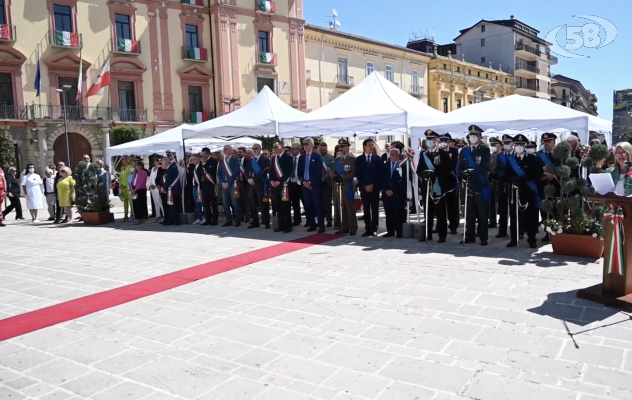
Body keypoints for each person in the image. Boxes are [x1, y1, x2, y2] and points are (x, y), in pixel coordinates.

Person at [417, 130, 454, 243]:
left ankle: (442, 235)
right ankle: (427, 234)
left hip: (439, 185)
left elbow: (447, 169)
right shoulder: (423, 154)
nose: (430, 142)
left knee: (440, 212)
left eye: (432, 140)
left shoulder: (443, 154)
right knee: (427, 211)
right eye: (428, 140)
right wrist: (424, 174)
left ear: (437, 141)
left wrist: (435, 174)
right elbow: (419, 169)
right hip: (427, 185)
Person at [505, 135, 540, 248]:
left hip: (528, 190)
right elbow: (506, 174)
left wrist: (523, 180)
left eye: (521, 144)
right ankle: (514, 239)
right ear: (514, 145)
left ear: (525, 145)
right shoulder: (510, 159)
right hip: (514, 190)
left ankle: (532, 239)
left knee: (530, 216)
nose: (519, 146)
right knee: (514, 216)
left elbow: (536, 174)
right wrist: (513, 180)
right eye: (517, 144)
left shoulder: (532, 158)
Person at [459, 125, 490, 246]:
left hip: (481, 185)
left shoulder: (484, 150)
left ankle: (483, 237)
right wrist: (462, 174)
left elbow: (486, 166)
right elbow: (459, 166)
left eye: (475, 135)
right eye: (471, 135)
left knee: (482, 214)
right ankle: (469, 236)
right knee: (469, 214)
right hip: (468, 186)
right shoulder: (464, 151)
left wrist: (472, 172)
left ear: (479, 137)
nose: (472, 137)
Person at [355, 138, 382, 237]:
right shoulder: (359, 159)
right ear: (364, 147)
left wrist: (372, 185)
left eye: (372, 145)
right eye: (370, 145)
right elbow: (358, 174)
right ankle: (368, 228)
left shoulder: (377, 159)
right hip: (364, 188)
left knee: (374, 208)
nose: (372, 147)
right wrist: (365, 185)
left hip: (374, 188)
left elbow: (379, 174)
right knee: (366, 209)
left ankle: (374, 228)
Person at [298, 137, 325, 233]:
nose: (305, 146)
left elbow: (318, 172)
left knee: (318, 205)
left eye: (307, 144)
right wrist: (303, 182)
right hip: (305, 185)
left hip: (314, 185)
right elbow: (299, 172)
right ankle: (312, 224)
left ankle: (321, 225)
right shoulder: (301, 158)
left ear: (312, 145)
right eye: (304, 144)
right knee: (308, 205)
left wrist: (310, 182)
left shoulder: (317, 157)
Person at [536, 132, 559, 242]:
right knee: (544, 211)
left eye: (549, 141)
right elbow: (535, 170)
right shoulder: (539, 155)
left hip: (557, 187)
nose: (546, 144)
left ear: (554, 142)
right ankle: (547, 232)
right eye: (545, 142)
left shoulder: (559, 155)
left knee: (556, 211)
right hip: (543, 186)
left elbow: (563, 169)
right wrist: (544, 176)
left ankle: (556, 232)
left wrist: (554, 176)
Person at [332, 139, 357, 235]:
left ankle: (353, 227)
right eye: (340, 147)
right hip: (339, 187)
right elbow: (334, 171)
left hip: (348, 186)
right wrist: (334, 176)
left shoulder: (352, 160)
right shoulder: (337, 160)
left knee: (349, 207)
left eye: (343, 146)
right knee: (341, 208)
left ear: (347, 147)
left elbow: (353, 173)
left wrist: (342, 177)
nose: (341, 148)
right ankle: (344, 227)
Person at [382, 147, 408, 238]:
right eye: (390, 154)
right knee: (388, 213)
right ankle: (390, 231)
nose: (391, 156)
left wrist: (393, 190)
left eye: (393, 154)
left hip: (398, 194)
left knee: (398, 213)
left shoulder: (402, 165)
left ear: (398, 155)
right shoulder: (385, 165)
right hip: (387, 193)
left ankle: (399, 231)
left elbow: (404, 181)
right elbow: (382, 179)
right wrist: (386, 190)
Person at [246, 143, 271, 229]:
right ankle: (255, 221)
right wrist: (248, 179)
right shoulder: (250, 160)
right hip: (251, 185)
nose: (254, 150)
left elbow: (264, 172)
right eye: (253, 148)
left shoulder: (265, 160)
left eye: (256, 148)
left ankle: (266, 221)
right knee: (253, 204)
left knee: (263, 204)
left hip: (260, 185)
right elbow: (246, 171)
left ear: (260, 149)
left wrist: (254, 180)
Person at [493, 135, 514, 239]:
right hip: (502, 185)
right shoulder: (500, 156)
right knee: (502, 209)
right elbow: (496, 169)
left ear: (512, 143)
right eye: (505, 143)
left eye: (508, 142)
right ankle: (502, 231)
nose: (506, 144)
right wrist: (501, 175)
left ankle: (518, 231)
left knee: (515, 210)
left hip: (513, 185)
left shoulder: (515, 155)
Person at [270, 141, 293, 232]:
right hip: (275, 186)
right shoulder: (274, 158)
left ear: (281, 146)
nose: (275, 148)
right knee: (278, 206)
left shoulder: (287, 157)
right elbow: (271, 171)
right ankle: (281, 224)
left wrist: (279, 181)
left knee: (286, 206)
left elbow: (288, 172)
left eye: (276, 146)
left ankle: (288, 225)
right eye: (274, 147)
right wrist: (271, 180)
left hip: (284, 185)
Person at [218, 145, 243, 227]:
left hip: (232, 184)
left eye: (226, 149)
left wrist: (228, 182)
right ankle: (229, 220)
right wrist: (222, 182)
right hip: (224, 185)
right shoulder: (222, 161)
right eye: (224, 149)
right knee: (226, 203)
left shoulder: (235, 160)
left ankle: (237, 219)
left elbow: (236, 172)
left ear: (231, 150)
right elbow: (219, 173)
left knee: (235, 202)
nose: (225, 150)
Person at [440, 133, 460, 234]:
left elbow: (452, 165)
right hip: (439, 181)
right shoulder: (437, 151)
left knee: (452, 205)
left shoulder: (454, 151)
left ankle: (453, 225)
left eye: (446, 140)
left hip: (451, 181)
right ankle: (440, 226)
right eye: (442, 140)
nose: (444, 142)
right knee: (440, 206)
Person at [161, 152, 182, 226]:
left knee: (174, 206)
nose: (161, 166)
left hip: (174, 191)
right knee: (171, 206)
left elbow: (169, 180)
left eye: (162, 164)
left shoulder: (172, 169)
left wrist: (163, 188)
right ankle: (172, 220)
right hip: (170, 191)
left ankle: (177, 221)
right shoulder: (169, 169)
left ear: (166, 163)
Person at [200, 147, 219, 226]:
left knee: (213, 203)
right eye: (202, 154)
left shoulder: (213, 161)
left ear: (208, 153)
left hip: (211, 185)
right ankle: (207, 218)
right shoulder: (203, 162)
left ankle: (215, 219)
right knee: (205, 203)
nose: (203, 156)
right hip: (204, 185)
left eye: (204, 154)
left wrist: (204, 164)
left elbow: (210, 171)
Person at [288, 143, 304, 226]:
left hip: (300, 183)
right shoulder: (290, 159)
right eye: (292, 149)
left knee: (305, 202)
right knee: (295, 203)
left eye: (294, 149)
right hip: (292, 183)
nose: (292, 151)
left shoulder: (303, 158)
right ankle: (297, 219)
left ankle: (309, 220)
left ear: (299, 149)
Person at [320, 142, 334, 228]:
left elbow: (330, 170)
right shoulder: (317, 157)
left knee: (327, 203)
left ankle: (329, 220)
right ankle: (321, 220)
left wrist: (323, 178)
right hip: (318, 183)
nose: (323, 152)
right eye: (321, 150)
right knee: (320, 203)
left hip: (327, 183)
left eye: (324, 150)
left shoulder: (330, 157)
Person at [488, 137, 501, 229]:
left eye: (495, 145)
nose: (493, 146)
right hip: (491, 182)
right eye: (491, 145)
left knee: (501, 203)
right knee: (491, 203)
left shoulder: (502, 156)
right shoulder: (490, 156)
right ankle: (492, 220)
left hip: (500, 182)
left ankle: (502, 220)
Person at [131, 160, 149, 224]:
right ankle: (137, 217)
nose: (137, 167)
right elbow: (132, 181)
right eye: (136, 166)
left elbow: (142, 182)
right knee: (135, 204)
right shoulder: (135, 173)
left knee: (140, 204)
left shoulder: (144, 172)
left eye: (138, 165)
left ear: (141, 166)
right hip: (134, 190)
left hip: (141, 190)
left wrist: (136, 189)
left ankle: (141, 217)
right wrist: (132, 188)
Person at [190, 154, 205, 225]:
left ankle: (205, 217)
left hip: (200, 187)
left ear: (199, 159)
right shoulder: (194, 167)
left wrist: (201, 188)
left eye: (194, 159)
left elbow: (202, 178)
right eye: (192, 159)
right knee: (197, 203)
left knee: (202, 203)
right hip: (194, 187)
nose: (193, 161)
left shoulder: (201, 166)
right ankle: (199, 217)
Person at [149, 158, 165, 223]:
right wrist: (150, 185)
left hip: (157, 187)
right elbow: (150, 178)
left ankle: (164, 214)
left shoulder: (160, 168)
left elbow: (158, 178)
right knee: (155, 202)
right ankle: (157, 215)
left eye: (157, 161)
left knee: (159, 201)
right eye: (155, 161)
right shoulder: (153, 169)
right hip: (152, 187)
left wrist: (156, 185)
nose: (156, 162)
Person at [119, 155, 134, 222]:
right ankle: (125, 215)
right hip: (123, 187)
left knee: (131, 201)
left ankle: (132, 214)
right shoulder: (122, 168)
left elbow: (131, 177)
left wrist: (127, 185)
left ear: (127, 159)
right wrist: (120, 185)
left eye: (123, 159)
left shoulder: (131, 167)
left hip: (128, 187)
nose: (122, 160)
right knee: (125, 201)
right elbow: (120, 178)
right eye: (122, 159)